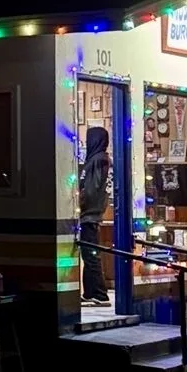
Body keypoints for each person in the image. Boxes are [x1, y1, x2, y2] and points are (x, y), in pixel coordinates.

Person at [79, 125, 111, 304]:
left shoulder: (98, 160)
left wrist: (80, 204)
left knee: (91, 256)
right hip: (90, 215)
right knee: (88, 254)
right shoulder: (99, 159)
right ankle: (90, 292)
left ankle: (99, 293)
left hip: (89, 215)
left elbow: (91, 190)